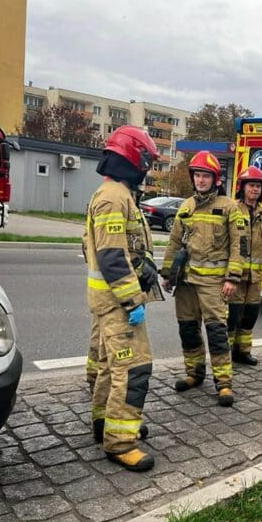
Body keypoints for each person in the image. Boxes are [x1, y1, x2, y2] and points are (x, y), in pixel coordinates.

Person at [85, 125, 160, 472]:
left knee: (109, 367)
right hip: (119, 303)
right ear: (134, 158)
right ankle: (120, 442)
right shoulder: (114, 197)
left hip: (110, 300)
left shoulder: (117, 193)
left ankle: (105, 424)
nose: (148, 168)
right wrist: (133, 302)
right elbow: (112, 257)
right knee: (133, 370)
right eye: (147, 161)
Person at [161, 151, 244, 407]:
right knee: (188, 330)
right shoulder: (186, 206)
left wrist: (232, 278)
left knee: (217, 333)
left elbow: (238, 246)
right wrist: (167, 274)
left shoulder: (229, 207)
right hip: (186, 283)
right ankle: (194, 374)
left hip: (214, 284)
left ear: (215, 179)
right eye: (197, 175)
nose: (200, 180)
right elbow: (174, 242)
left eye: (206, 176)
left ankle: (224, 383)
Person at [228, 165, 262, 366]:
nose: (255, 189)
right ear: (242, 187)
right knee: (232, 316)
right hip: (236, 276)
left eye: (258, 186)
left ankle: (243, 352)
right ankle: (226, 354)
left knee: (250, 316)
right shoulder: (233, 210)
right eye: (251, 185)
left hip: (255, 277)